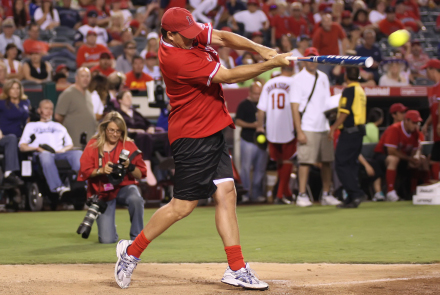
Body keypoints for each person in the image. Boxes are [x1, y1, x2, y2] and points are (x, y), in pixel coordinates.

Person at [114, 7, 291, 291]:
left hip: (212, 129)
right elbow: (230, 77)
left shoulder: (184, 33)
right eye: (184, 35)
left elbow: (220, 36)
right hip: (192, 136)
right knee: (182, 207)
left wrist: (262, 49)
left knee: (226, 192)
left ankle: (236, 268)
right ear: (169, 34)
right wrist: (273, 64)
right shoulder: (176, 59)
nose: (192, 37)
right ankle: (130, 252)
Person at [77, 112, 147, 244]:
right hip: (102, 192)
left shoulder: (128, 145)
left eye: (118, 131)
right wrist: (100, 170)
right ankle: (111, 231)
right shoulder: (93, 145)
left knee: (136, 198)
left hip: (123, 187)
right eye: (112, 130)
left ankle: (137, 238)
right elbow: (84, 172)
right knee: (106, 239)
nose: (115, 134)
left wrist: (130, 166)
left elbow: (141, 173)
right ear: (104, 129)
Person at [290, 47, 341, 207]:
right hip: (308, 126)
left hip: (323, 125)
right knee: (305, 161)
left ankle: (326, 194)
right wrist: (299, 131)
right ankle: (302, 195)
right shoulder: (297, 79)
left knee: (327, 161)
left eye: (315, 58)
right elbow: (294, 107)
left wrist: (332, 122)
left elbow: (326, 101)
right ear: (304, 60)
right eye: (309, 58)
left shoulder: (324, 77)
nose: (312, 61)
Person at [19, 99, 82, 198]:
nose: (48, 111)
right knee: (46, 155)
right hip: (42, 153)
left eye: (51, 109)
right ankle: (58, 187)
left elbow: (70, 144)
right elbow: (22, 146)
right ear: (39, 110)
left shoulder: (59, 126)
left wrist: (63, 150)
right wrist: (37, 148)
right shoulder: (31, 126)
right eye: (46, 108)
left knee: (78, 153)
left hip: (60, 153)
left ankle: (78, 183)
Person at [256, 64, 296, 204]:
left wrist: (260, 127)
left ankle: (287, 193)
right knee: (288, 161)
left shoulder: (269, 84)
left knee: (280, 161)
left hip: (272, 128)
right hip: (289, 126)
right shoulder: (294, 82)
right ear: (293, 69)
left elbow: (261, 109)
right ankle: (279, 195)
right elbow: (298, 107)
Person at [329, 67, 366, 208]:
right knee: (351, 165)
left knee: (341, 164)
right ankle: (351, 197)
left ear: (346, 76)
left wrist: (333, 127)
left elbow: (344, 113)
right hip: (359, 131)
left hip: (350, 131)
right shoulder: (361, 90)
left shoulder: (349, 90)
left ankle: (356, 193)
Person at [373, 110, 422, 201]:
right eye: (413, 122)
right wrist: (409, 159)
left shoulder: (415, 132)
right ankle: (390, 192)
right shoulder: (395, 128)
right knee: (393, 159)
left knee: (422, 160)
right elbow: (391, 151)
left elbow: (415, 150)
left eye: (417, 123)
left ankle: (414, 192)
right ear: (406, 121)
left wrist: (415, 158)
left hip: (402, 158)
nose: (415, 125)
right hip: (381, 156)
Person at [116, 90, 160, 186]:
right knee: (144, 137)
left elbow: (148, 123)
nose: (129, 99)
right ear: (120, 100)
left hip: (146, 135)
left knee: (165, 134)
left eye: (130, 96)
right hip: (132, 138)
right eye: (127, 96)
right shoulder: (118, 114)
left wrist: (151, 128)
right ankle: (146, 167)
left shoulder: (135, 112)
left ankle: (172, 165)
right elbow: (119, 128)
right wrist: (134, 130)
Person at [235, 82, 267, 204]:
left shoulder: (264, 105)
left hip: (262, 141)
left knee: (260, 169)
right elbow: (237, 121)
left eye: (259, 94)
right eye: (255, 93)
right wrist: (253, 125)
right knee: (245, 169)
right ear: (250, 93)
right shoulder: (244, 104)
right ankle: (245, 194)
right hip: (247, 139)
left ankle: (257, 194)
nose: (257, 96)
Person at [55, 67, 97, 148]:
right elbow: (58, 117)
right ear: (76, 78)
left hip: (89, 141)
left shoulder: (88, 94)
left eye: (87, 76)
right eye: (82, 76)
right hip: (74, 142)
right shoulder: (68, 93)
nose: (85, 79)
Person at [421, 59, 440, 181]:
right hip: (437, 132)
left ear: (433, 70)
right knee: (434, 160)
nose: (426, 73)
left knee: (434, 160)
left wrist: (439, 123)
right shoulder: (432, 89)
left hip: (439, 128)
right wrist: (427, 124)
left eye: (427, 70)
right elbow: (434, 110)